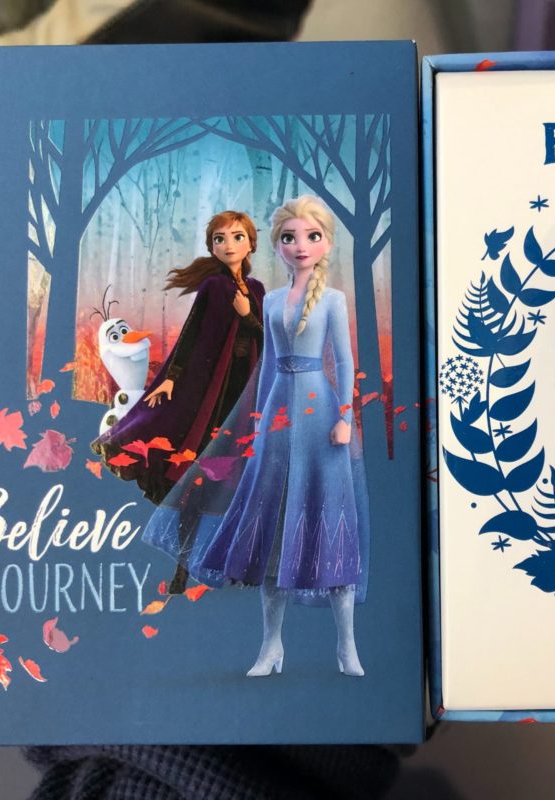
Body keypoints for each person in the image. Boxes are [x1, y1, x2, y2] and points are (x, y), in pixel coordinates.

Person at [144, 195, 370, 677]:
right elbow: (266, 366)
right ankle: (271, 647)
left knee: (331, 521)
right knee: (270, 531)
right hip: (276, 418)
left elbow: (345, 360)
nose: (300, 245)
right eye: (289, 237)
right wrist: (256, 423)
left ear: (327, 244)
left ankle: (347, 646)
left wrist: (345, 416)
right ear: (276, 245)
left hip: (321, 414)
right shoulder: (269, 302)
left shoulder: (333, 300)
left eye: (311, 236)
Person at [92, 210, 265, 503]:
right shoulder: (214, 285)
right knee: (202, 430)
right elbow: (191, 332)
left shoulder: (257, 289)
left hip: (245, 376)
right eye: (219, 239)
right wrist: (172, 377)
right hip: (212, 377)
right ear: (212, 247)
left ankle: (224, 493)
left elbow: (265, 336)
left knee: (235, 434)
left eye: (237, 237)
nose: (228, 245)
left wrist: (247, 315)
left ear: (251, 243)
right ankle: (194, 493)